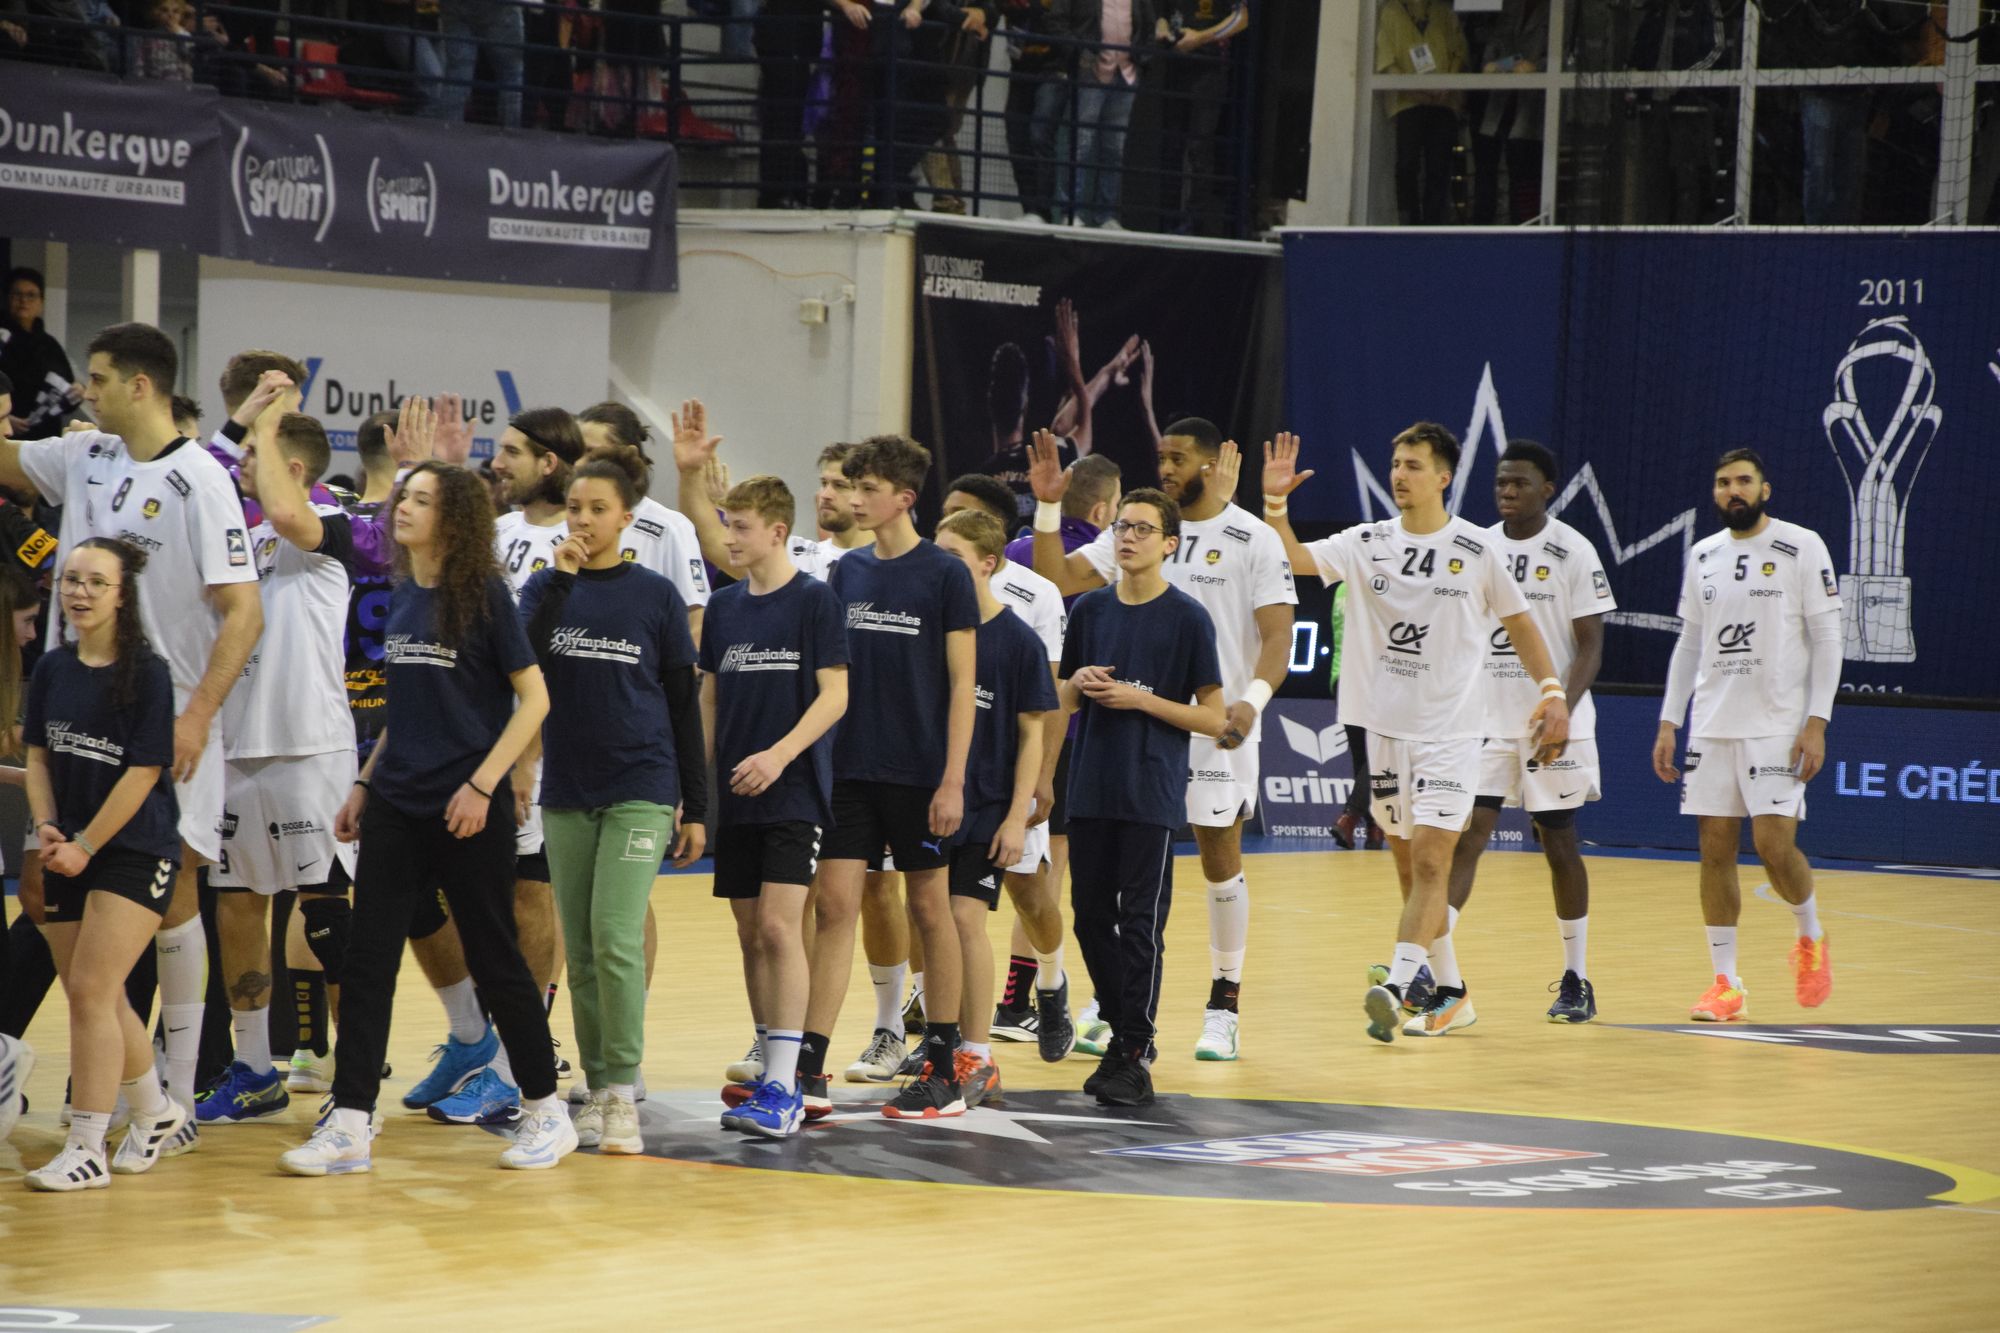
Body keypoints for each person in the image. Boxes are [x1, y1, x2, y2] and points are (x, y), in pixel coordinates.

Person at [2, 323, 265, 1135]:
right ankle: (84, 1076)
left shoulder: (199, 480)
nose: (87, 390)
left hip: (162, 719)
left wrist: (195, 716)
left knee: (172, 893)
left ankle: (170, 1094)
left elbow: (243, 613)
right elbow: (7, 462)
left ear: (142, 387)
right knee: (49, 888)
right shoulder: (84, 455)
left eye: (102, 377)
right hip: (72, 710)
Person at [281, 462, 573, 1176]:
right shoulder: (407, 596)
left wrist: (483, 785)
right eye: (402, 496)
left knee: (497, 962)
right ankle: (351, 1122)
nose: (402, 508)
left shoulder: (485, 598)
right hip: (395, 804)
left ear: (454, 519)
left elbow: (533, 701)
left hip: (468, 809)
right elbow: (406, 714)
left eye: (419, 499)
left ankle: (546, 1109)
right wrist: (362, 783)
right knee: (367, 961)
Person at [1260, 424, 1570, 1042]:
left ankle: (1401, 988)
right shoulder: (1365, 542)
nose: (1400, 475)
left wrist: (1552, 693)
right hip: (1383, 732)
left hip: (1453, 732)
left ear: (1444, 477)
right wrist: (1275, 506)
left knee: (1432, 859)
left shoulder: (1478, 551)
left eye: (1414, 465)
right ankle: (1451, 993)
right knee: (1408, 866)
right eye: (1396, 463)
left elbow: (1523, 626)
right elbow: (1291, 559)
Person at [1031, 417, 1292, 1063]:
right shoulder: (1131, 526)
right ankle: (1115, 1004)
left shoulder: (1252, 536)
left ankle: (1222, 1004)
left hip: (1215, 724)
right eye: (1161, 456)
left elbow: (1278, 638)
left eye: (1178, 457)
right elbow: (1056, 578)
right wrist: (1044, 506)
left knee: (1216, 860)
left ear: (1210, 463)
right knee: (1108, 888)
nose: (1166, 466)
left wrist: (1249, 706)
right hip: (1131, 732)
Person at [522, 460, 707, 1155]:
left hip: (643, 783)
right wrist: (560, 579)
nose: (582, 519)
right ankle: (598, 1086)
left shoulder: (655, 596)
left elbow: (684, 703)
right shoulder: (545, 589)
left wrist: (697, 804)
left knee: (616, 933)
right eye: (574, 507)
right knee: (586, 947)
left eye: (598, 508)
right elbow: (522, 662)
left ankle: (624, 1091)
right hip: (568, 787)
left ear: (626, 518)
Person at [804, 434, 978, 1118]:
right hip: (850, 770)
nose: (853, 498)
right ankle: (808, 1068)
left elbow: (964, 685)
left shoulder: (945, 574)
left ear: (903, 499)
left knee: (929, 910)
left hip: (921, 774)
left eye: (867, 489)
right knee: (835, 906)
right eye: (851, 487)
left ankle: (941, 1065)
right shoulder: (846, 571)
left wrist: (953, 779)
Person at [198, 405, 362, 1124]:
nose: (240, 477)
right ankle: (254, 1066)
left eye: (255, 465)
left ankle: (355, 1076)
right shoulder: (242, 542)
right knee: (237, 904)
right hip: (238, 748)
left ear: (291, 471)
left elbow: (293, 517)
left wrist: (264, 433)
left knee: (326, 912)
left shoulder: (331, 531)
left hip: (310, 747)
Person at [419, 407, 582, 1125]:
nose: (499, 462)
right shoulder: (497, 534)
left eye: (511, 452)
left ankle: (522, 1062)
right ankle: (478, 1040)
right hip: (470, 742)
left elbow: (543, 663)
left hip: (541, 746)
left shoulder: (582, 540)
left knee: (526, 897)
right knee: (441, 895)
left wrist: (524, 758)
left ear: (550, 462)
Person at [21, 539, 189, 1190]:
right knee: (95, 992)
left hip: (134, 848)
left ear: (123, 594)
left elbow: (145, 772)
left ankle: (88, 1144)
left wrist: (86, 843)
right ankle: (153, 1110)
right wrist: (46, 829)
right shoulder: (56, 668)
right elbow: (39, 755)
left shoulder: (146, 673)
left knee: (91, 989)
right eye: (71, 580)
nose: (80, 591)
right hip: (69, 846)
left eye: (96, 581)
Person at [1652, 448, 1839, 1023]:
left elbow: (1828, 640)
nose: (1733, 490)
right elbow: (1689, 644)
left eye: (1743, 481)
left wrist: (1816, 721)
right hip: (1713, 724)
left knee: (1774, 847)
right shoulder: (1703, 555)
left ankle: (1810, 937)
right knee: (1714, 851)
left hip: (1777, 724)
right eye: (1723, 483)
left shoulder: (1801, 546)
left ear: (1765, 489)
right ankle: (1726, 983)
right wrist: (1669, 719)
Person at [1058, 489, 1223, 1105]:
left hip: (1149, 789)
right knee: (1090, 917)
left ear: (1170, 544)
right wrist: (1075, 681)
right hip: (1090, 786)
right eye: (1123, 526)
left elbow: (1214, 718)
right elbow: (1062, 700)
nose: (1129, 537)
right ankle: (1122, 1024)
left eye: (1144, 529)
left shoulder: (1187, 618)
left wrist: (1142, 700)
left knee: (1140, 923)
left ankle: (1132, 1048)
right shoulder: (1091, 611)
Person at [1444, 440, 1614, 1023]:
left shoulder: (1573, 550)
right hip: (1485, 718)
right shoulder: (1476, 545)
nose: (1507, 492)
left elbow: (1590, 647)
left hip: (1553, 721)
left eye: (1519, 483)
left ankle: (1577, 978)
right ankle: (1433, 970)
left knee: (1558, 844)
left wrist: (1561, 705)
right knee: (1467, 837)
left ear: (1548, 489)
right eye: (1500, 483)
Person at [700, 474, 848, 1136]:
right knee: (749, 928)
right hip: (735, 795)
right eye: (726, 524)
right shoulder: (725, 607)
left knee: (781, 928)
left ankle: (788, 1084)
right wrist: (694, 788)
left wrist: (779, 755)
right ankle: (768, 1064)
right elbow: (708, 700)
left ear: (777, 531)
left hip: (792, 789)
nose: (729, 537)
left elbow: (835, 696)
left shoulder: (815, 601)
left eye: (740, 526)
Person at [939, 474, 1071, 1054]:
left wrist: (1033, 793)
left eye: (952, 554)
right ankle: (946, 1033)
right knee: (942, 913)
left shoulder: (1031, 609)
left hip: (1000, 789)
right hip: (943, 793)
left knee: (1031, 897)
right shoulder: (931, 617)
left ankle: (1051, 984)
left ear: (988, 558)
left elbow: (1041, 713)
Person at [1053, 0, 1165, 227]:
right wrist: (1079, 53)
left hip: (1126, 73)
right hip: (1090, 71)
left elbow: (1149, 25)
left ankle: (1107, 215)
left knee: (1114, 149)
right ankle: (1071, 211)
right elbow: (1056, 20)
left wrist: (1142, 59)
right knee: (1080, 144)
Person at [1158, 2, 1250, 236]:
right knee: (1171, 145)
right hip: (1176, 66)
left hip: (1209, 69)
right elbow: (1161, 15)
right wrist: (1163, 28)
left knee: (1200, 148)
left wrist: (1200, 37)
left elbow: (1242, 18)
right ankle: (1167, 219)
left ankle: (1193, 220)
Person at [1375, 0, 1468, 225]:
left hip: (1443, 102)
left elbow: (1459, 53)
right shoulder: (1392, 12)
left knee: (1439, 166)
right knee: (1407, 164)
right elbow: (1387, 61)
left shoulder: (1443, 12)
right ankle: (1410, 222)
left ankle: (1433, 225)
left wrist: (1447, 84)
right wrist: (1414, 90)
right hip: (1408, 103)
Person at [1, 268, 82, 438]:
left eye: (31, 295)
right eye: (17, 294)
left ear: (41, 302)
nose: (24, 301)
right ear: (8, 298)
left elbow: (65, 393)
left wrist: (76, 392)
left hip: (46, 436)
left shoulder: (50, 345)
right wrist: (4, 418)